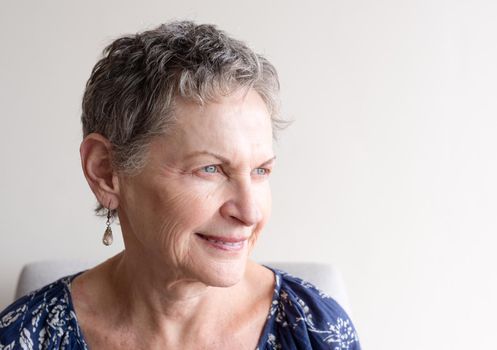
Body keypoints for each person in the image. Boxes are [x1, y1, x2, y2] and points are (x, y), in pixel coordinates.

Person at [0, 21, 361, 349]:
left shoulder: (314, 331)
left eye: (260, 171)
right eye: (210, 169)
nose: (249, 211)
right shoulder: (27, 336)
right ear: (106, 171)